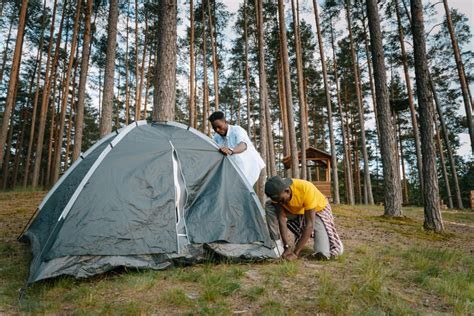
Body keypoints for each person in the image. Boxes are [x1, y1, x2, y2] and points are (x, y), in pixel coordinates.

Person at [264, 175, 343, 261]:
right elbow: (282, 219)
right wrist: (286, 246)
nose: (280, 203)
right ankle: (276, 243)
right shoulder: (277, 194)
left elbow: (309, 225)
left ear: (287, 191)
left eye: (282, 200)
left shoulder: (306, 189)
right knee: (269, 205)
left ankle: (334, 241)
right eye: (278, 201)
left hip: (317, 211)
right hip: (297, 211)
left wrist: (295, 253)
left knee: (323, 253)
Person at [208, 111, 265, 186]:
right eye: (214, 128)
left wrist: (231, 150)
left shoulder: (237, 130)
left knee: (247, 192)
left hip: (252, 167)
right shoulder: (217, 137)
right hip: (237, 171)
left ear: (225, 122)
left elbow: (243, 145)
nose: (217, 130)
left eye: (219, 126)